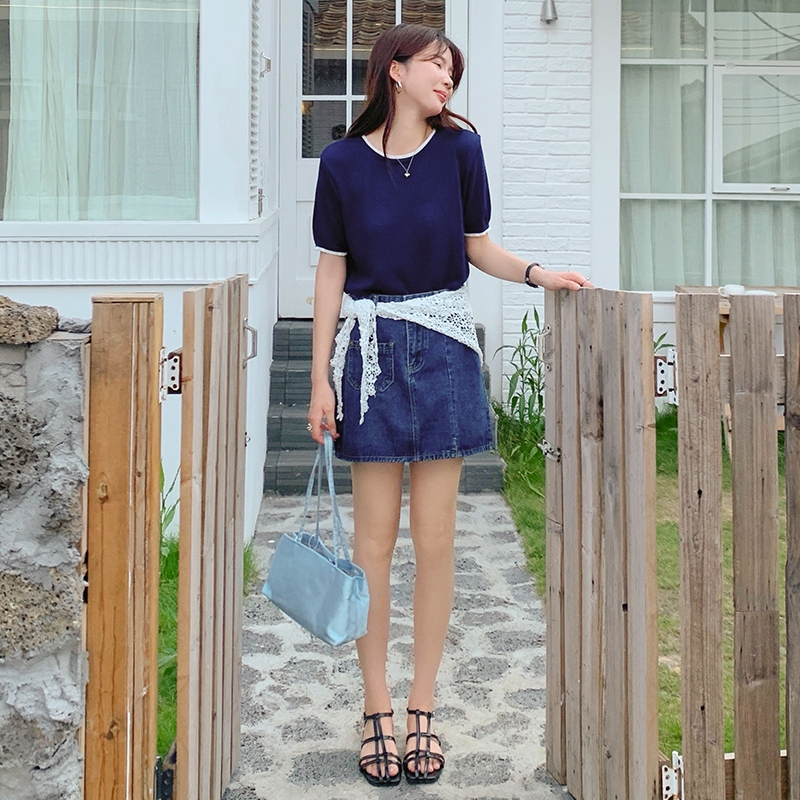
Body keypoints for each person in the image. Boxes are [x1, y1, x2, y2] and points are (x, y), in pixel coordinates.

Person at [306, 23, 589, 787]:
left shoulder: (461, 151)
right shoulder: (340, 164)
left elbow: (476, 245)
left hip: (443, 353)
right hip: (368, 358)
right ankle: (376, 707)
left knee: (435, 541)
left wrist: (537, 273)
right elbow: (331, 269)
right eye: (436, 64)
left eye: (453, 69)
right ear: (394, 72)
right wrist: (320, 378)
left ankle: (422, 705)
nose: (447, 78)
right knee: (372, 546)